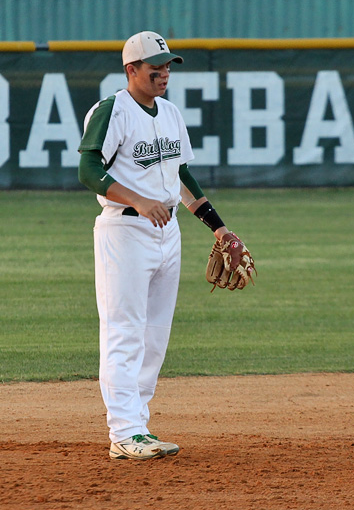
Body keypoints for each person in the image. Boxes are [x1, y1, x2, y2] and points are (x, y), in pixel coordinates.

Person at [77, 31, 245, 460]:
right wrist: (137, 199)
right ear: (131, 69)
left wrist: (218, 228)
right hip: (125, 231)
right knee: (124, 333)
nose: (164, 72)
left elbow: (180, 178)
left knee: (154, 337)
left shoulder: (169, 113)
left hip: (168, 232)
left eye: (168, 65)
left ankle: (139, 426)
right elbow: (87, 168)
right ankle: (124, 431)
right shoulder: (111, 110)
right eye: (156, 66)